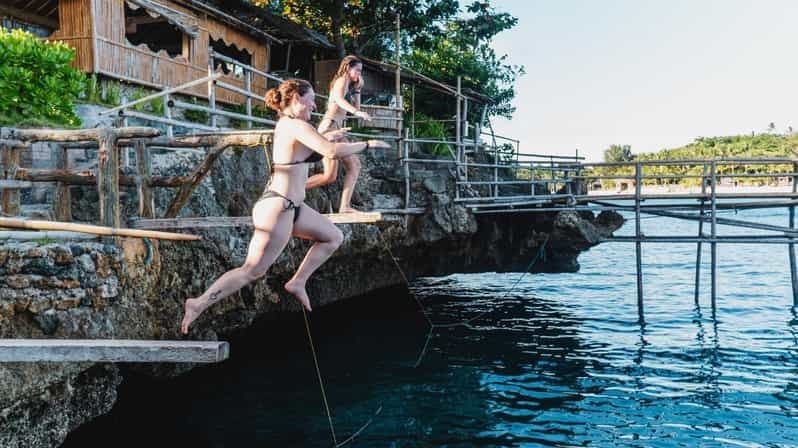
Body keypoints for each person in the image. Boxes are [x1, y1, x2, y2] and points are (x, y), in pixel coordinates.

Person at [180, 79, 390, 334]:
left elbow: (309, 150)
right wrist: (367, 144)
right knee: (252, 271)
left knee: (333, 237)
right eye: (311, 98)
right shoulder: (294, 124)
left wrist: (327, 136)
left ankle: (298, 282)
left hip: (293, 208)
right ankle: (198, 303)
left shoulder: (294, 126)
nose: (315, 104)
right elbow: (331, 152)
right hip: (278, 208)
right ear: (296, 99)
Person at [306, 55, 373, 213]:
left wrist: (358, 89)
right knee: (337, 173)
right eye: (357, 70)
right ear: (347, 68)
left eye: (361, 71)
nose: (359, 74)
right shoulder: (341, 80)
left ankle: (345, 206)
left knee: (342, 171)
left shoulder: (350, 84)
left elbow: (356, 104)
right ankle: (288, 190)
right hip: (329, 128)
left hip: (338, 130)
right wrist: (358, 112)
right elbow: (338, 99)